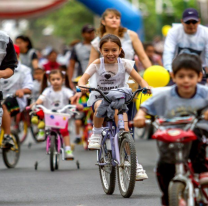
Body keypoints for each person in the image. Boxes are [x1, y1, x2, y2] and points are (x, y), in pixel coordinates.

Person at [134, 53, 208, 205]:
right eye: (181, 76)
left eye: (190, 76)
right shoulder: (166, 95)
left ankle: (201, 171)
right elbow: (147, 106)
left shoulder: (204, 93)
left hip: (195, 132)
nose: (186, 80)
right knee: (163, 168)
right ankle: (169, 197)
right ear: (173, 76)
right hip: (171, 134)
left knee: (198, 135)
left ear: (199, 76)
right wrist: (140, 116)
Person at [77, 34, 149, 180]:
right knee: (99, 107)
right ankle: (96, 134)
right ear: (101, 50)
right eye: (106, 50)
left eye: (114, 50)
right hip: (100, 97)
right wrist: (83, 85)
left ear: (120, 50)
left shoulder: (125, 64)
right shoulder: (97, 63)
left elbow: (140, 79)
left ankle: (134, 163)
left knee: (125, 132)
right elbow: (83, 78)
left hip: (118, 99)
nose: (110, 54)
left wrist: (146, 87)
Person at [32, 70, 75, 158]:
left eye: (58, 79)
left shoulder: (66, 91)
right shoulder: (47, 91)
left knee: (64, 131)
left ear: (63, 80)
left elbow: (72, 98)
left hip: (62, 116)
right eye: (53, 79)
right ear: (49, 80)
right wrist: (35, 104)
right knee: (39, 113)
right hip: (49, 115)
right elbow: (41, 98)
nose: (55, 81)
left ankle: (68, 149)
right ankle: (41, 131)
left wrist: (76, 104)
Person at [163, 8, 208, 84]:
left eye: (194, 22)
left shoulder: (205, 32)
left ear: (199, 21)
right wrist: (169, 70)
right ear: (182, 22)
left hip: (198, 70)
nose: (191, 25)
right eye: (188, 22)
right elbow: (168, 52)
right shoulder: (173, 31)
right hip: (178, 69)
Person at [1, 44, 33, 147]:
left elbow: (29, 88)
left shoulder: (24, 70)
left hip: (17, 100)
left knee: (3, 106)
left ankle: (7, 136)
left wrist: (22, 91)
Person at [68, 25, 95, 90]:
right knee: (83, 99)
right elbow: (71, 65)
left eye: (93, 32)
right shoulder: (77, 47)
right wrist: (70, 81)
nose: (91, 34)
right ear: (83, 34)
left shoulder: (99, 45)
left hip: (96, 78)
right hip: (81, 78)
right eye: (89, 32)